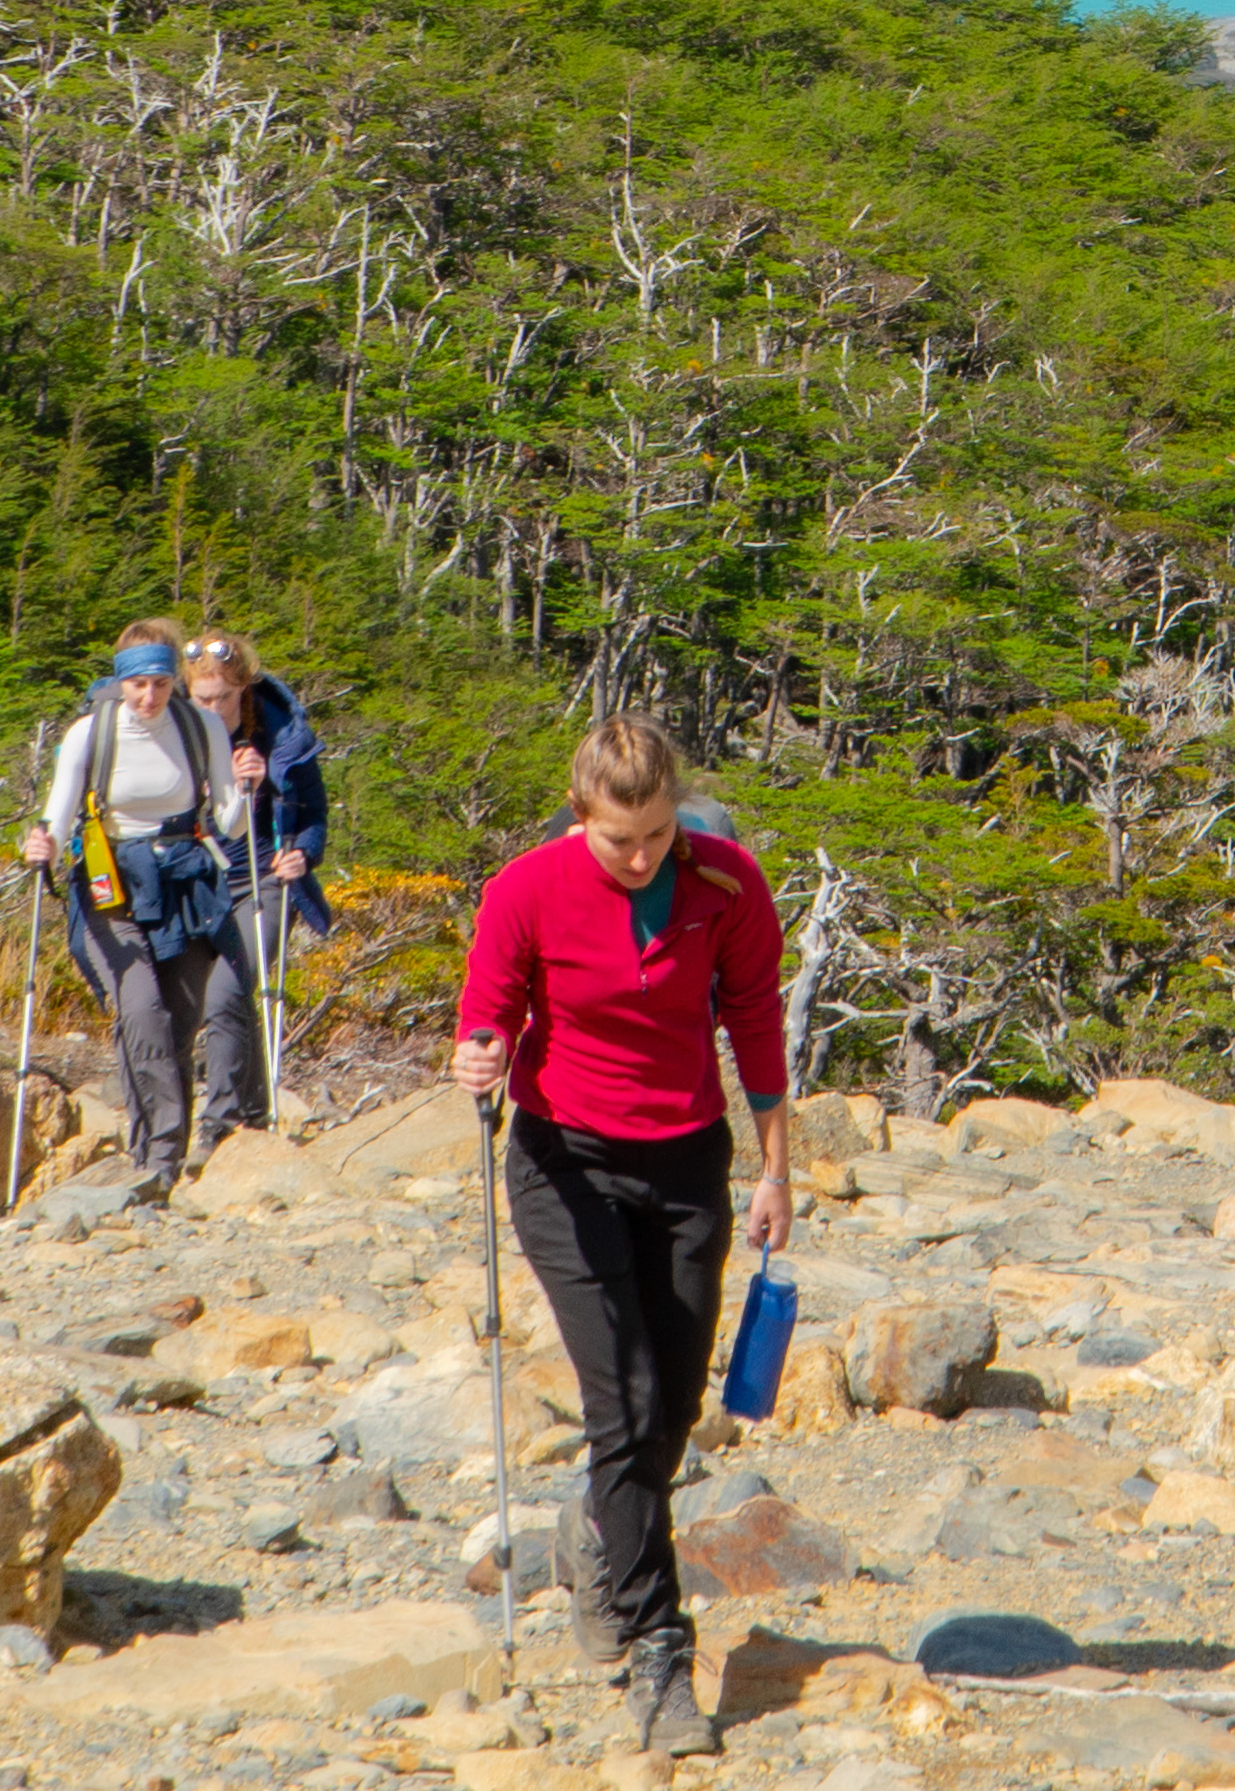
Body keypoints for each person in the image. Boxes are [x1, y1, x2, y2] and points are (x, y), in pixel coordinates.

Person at [452, 717, 792, 1769]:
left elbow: (757, 1023)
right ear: (580, 811)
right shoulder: (527, 889)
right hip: (565, 1161)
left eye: (656, 833)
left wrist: (778, 1166)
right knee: (627, 1396)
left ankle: (598, 1533)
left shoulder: (727, 883)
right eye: (619, 838)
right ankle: (657, 1645)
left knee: (676, 1405)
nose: (641, 855)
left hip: (688, 1157)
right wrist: (480, 1052)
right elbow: (487, 1008)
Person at [15, 621, 249, 1203]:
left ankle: (155, 1157)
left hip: (183, 882)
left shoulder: (201, 729)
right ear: (121, 681)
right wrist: (40, 843)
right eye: (139, 684)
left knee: (180, 1017)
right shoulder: (89, 736)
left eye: (162, 684)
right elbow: (59, 815)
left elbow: (229, 819)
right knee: (140, 1008)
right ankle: (161, 1157)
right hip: (108, 882)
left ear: (175, 680)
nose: (150, 698)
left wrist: (245, 791)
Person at [183, 629, 329, 1141]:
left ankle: (218, 1124)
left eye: (224, 696)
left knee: (227, 993)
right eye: (203, 698)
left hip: (265, 879)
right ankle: (253, 1110)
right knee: (216, 998)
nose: (214, 707)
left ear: (243, 686)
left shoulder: (281, 733)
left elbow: (313, 812)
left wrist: (303, 854)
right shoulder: (178, 733)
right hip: (200, 880)